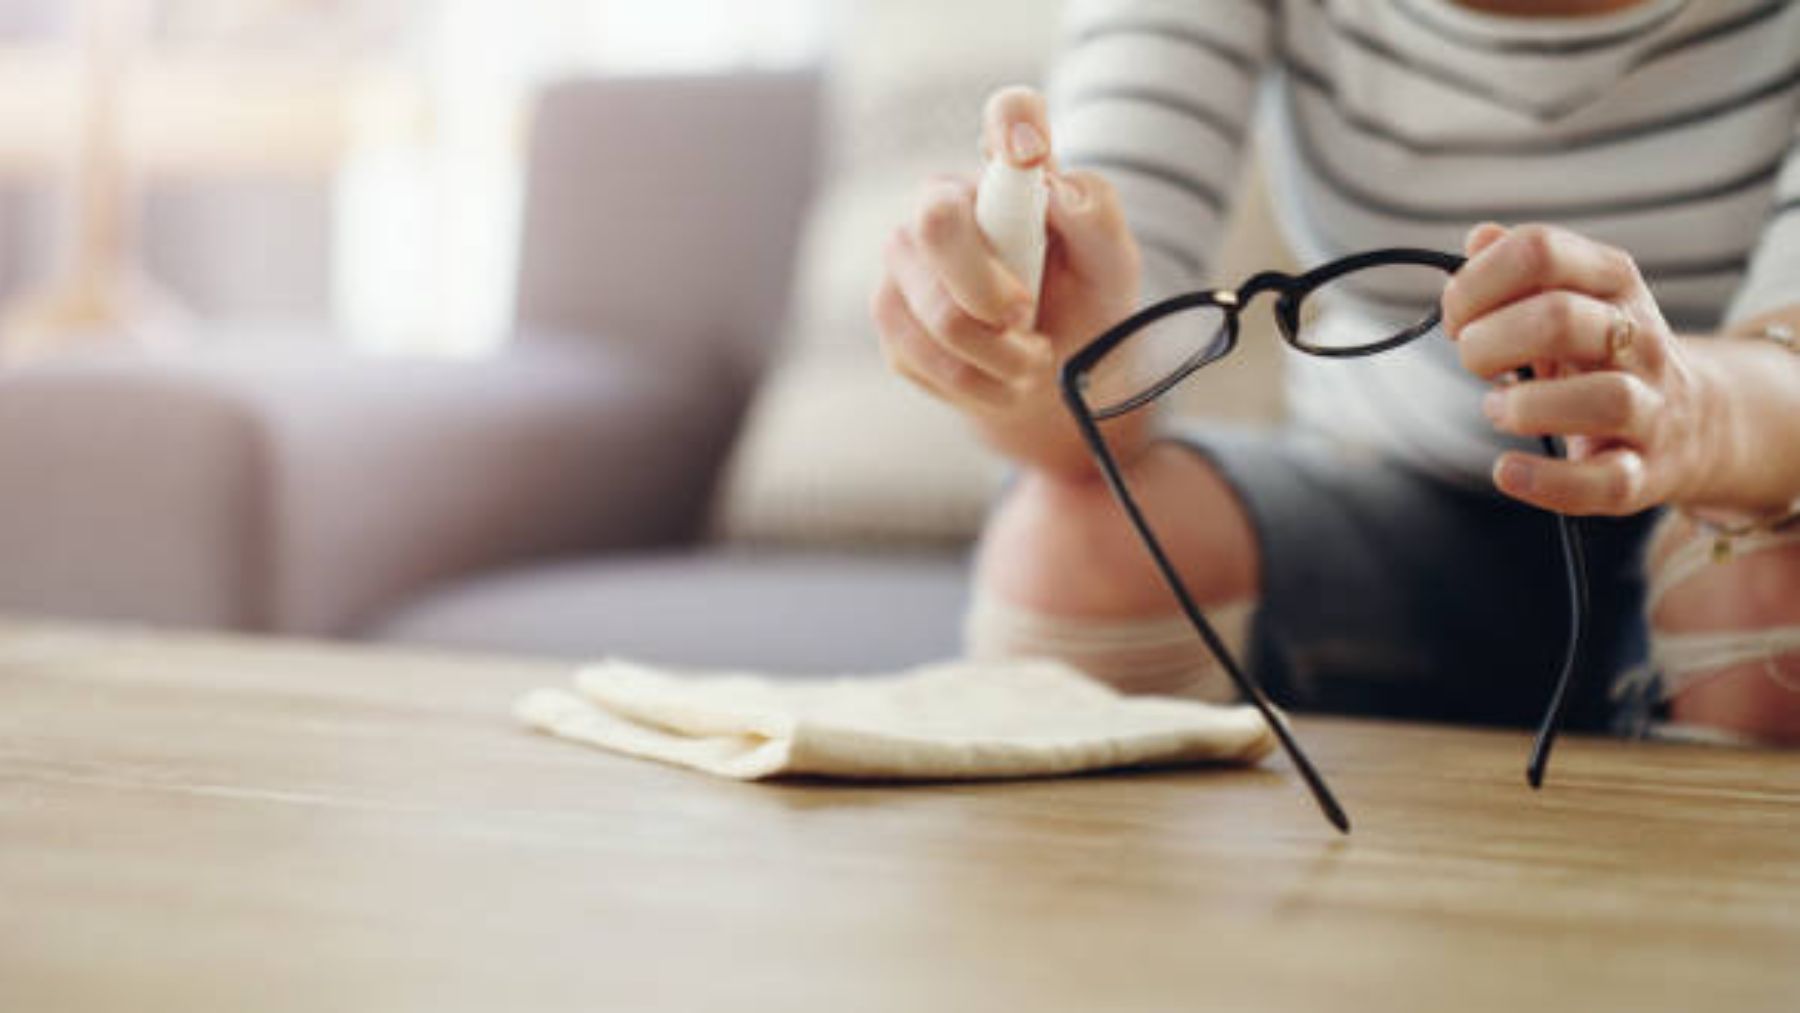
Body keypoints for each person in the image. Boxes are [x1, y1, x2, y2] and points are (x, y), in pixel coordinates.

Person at [870, 0, 1800, 743]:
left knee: (1768, 591)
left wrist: (1697, 417)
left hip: (1750, 495)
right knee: (1070, 551)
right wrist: (1028, 349)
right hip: (1395, 502)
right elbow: (1091, 405)